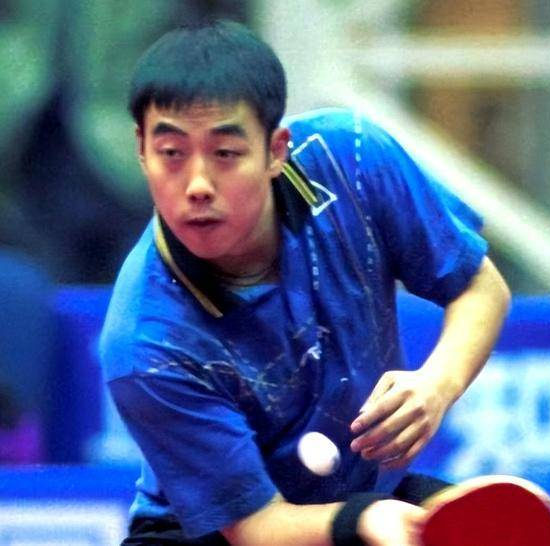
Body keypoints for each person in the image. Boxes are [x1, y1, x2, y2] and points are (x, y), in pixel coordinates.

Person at [100, 20, 511, 546]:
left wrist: (437, 384)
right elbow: (255, 526)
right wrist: (362, 520)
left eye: (225, 154)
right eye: (172, 154)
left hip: (360, 496)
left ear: (276, 150)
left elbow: (481, 288)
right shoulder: (146, 341)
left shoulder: (351, 159)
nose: (197, 185)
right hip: (211, 532)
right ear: (142, 149)